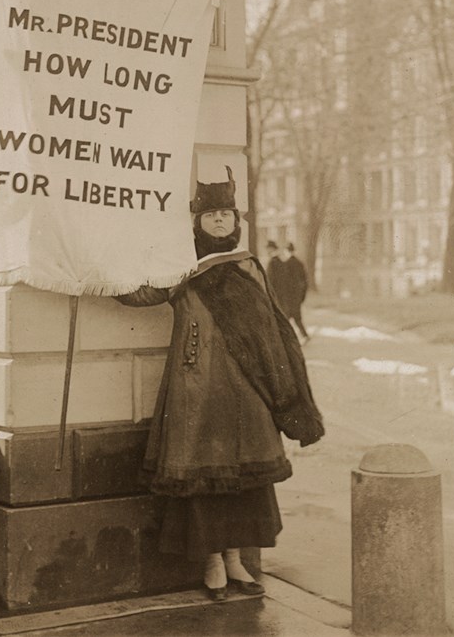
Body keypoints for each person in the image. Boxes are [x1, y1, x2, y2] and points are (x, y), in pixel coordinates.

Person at [117, 167, 324, 601]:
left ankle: (235, 560)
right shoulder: (183, 265)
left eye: (225, 214)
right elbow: (142, 294)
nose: (218, 221)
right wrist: (95, 271)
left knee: (242, 480)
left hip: (248, 392)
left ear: (235, 221)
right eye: (210, 215)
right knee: (203, 478)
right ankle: (212, 561)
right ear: (196, 223)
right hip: (197, 390)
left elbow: (273, 329)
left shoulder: (248, 265)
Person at [279, 242, 309, 344]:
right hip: (297, 297)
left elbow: (284, 283)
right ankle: (303, 335)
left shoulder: (286, 264)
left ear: (287, 251)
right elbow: (305, 282)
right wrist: (302, 296)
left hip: (288, 297)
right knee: (296, 318)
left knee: (287, 318)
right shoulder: (300, 264)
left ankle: (287, 339)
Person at [265, 240, 284, 309]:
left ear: (272, 249)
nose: (267, 251)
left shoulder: (272, 262)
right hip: (280, 293)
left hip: (275, 293)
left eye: (268, 248)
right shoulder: (280, 261)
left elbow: (270, 279)